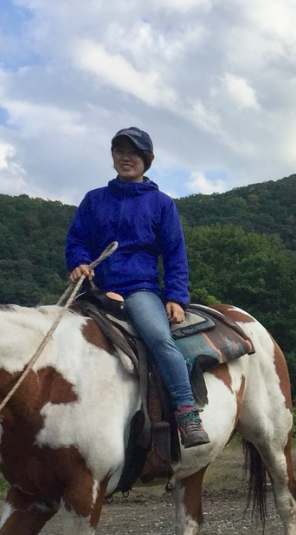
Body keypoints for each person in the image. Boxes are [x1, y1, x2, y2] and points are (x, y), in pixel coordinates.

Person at [66, 127, 209, 447]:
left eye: (133, 152)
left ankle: (186, 411)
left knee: (159, 338)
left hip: (138, 289)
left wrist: (175, 297)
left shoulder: (161, 204)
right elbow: (77, 240)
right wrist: (79, 262)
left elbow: (174, 254)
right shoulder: (94, 200)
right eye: (119, 150)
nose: (125, 157)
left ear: (149, 159)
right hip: (97, 289)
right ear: (112, 156)